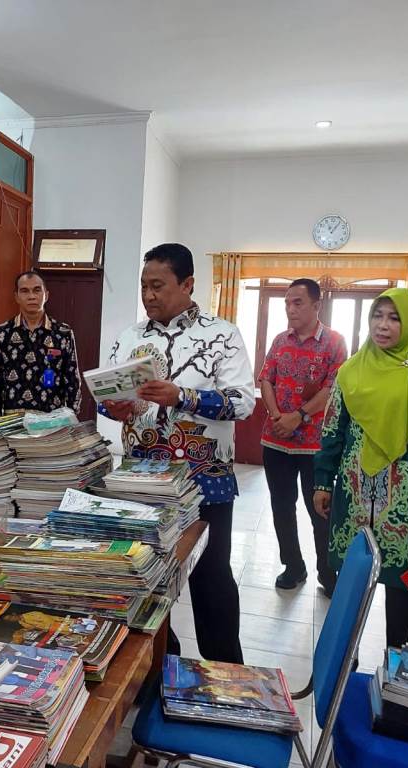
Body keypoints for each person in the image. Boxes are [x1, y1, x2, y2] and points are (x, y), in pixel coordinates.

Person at [101, 243, 255, 663]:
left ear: (187, 284)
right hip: (140, 482)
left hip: (204, 482)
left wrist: (182, 396)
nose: (149, 296)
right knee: (146, 581)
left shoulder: (222, 335)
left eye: (158, 286)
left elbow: (243, 402)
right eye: (143, 287)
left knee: (211, 581)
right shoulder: (131, 337)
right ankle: (158, 670)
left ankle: (226, 674)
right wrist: (113, 406)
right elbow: (112, 398)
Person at [313, 288, 408, 647]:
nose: (383, 325)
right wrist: (323, 481)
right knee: (352, 578)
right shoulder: (353, 369)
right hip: (354, 490)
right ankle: (345, 658)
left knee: (401, 581)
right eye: (378, 316)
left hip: (404, 498)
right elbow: (333, 429)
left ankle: (396, 657)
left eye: (394, 318)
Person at [259, 279, 348, 594]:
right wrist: (275, 416)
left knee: (320, 511)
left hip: (314, 446)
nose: (291, 309)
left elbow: (333, 388)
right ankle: (293, 566)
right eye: (287, 302)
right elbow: (266, 379)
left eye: (298, 302)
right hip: (275, 441)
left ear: (316, 305)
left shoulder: (334, 342)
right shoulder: (280, 340)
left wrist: (299, 416)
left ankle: (328, 572)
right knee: (282, 507)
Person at [0, 270, 81, 416]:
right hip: (12, 421)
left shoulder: (62, 333)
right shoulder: (3, 333)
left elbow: (72, 379)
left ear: (46, 295)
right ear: (16, 297)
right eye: (24, 291)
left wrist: (71, 418)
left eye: (37, 290)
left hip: (52, 421)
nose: (31, 296)